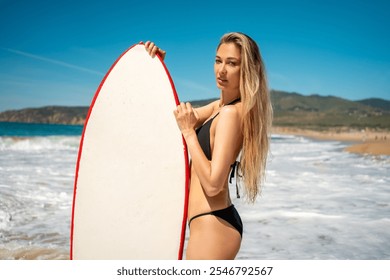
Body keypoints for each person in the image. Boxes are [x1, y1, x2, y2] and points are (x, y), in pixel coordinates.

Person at [145, 32, 272, 259]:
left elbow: (213, 184)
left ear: (247, 70)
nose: (221, 70)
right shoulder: (220, 107)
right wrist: (158, 71)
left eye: (231, 63)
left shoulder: (231, 113)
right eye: (218, 60)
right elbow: (179, 118)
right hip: (210, 223)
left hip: (213, 226)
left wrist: (189, 134)